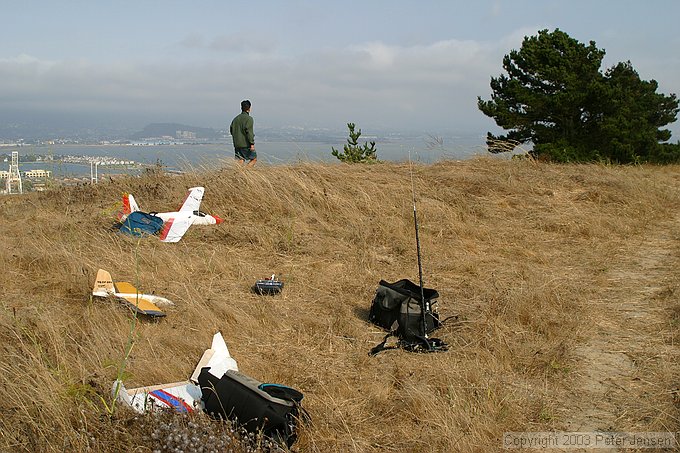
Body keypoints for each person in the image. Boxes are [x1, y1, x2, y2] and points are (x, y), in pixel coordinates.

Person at [230, 100, 256, 166]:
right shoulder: (249, 119)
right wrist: (252, 144)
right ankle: (246, 172)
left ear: (241, 108)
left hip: (237, 144)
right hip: (245, 144)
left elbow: (231, 130)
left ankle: (240, 174)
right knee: (254, 159)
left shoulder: (235, 119)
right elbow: (249, 132)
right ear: (249, 108)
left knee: (241, 160)